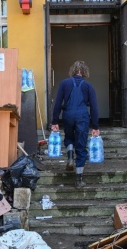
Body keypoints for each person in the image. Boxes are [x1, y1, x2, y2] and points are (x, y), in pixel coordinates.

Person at [51, 60, 100, 188]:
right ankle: (78, 180)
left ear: (73, 70)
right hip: (82, 117)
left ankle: (70, 157)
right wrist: (95, 126)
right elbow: (94, 107)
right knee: (81, 145)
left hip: (67, 115)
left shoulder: (64, 83)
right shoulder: (88, 86)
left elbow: (57, 103)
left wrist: (54, 121)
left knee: (69, 138)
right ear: (84, 72)